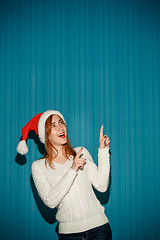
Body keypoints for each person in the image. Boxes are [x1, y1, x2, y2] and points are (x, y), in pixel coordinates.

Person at [17, 110, 112, 240]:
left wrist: (103, 151)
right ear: (45, 135)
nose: (60, 127)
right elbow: (50, 201)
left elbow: (102, 186)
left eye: (61, 122)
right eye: (53, 125)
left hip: (100, 229)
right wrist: (72, 169)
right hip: (69, 234)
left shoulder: (81, 152)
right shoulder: (38, 167)